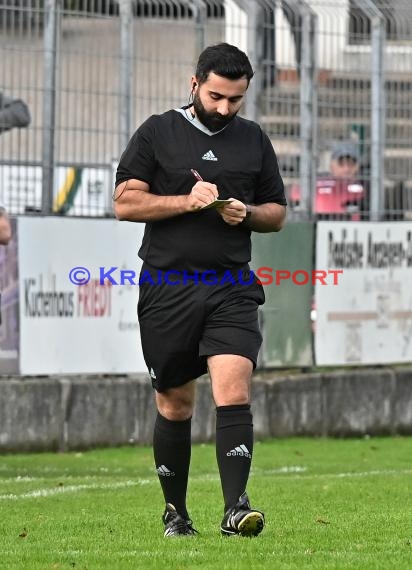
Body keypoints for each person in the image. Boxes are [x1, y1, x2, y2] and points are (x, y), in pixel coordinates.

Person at [114, 42, 287, 538]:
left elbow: (276, 211)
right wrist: (187, 201)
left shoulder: (253, 140)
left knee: (233, 386)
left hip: (231, 285)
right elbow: (125, 203)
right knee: (175, 403)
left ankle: (236, 510)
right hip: (167, 286)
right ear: (195, 85)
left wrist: (248, 214)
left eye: (235, 99)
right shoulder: (157, 131)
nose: (225, 108)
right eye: (216, 97)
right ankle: (177, 513)